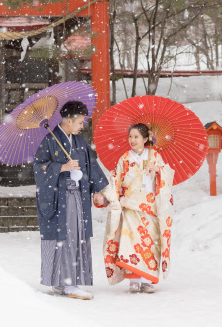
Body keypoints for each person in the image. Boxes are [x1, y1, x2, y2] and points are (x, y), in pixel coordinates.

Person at [33, 100, 109, 300]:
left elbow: (91, 165)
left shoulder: (79, 143)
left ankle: (62, 282)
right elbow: (39, 167)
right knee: (66, 237)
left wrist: (98, 189)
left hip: (77, 195)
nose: (82, 125)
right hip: (59, 197)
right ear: (68, 120)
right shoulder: (50, 140)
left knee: (75, 236)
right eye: (81, 122)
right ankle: (68, 284)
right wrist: (61, 168)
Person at [101, 123, 174, 293]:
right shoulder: (125, 158)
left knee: (150, 243)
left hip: (150, 206)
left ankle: (147, 280)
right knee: (131, 242)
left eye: (136, 137)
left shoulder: (155, 156)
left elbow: (167, 176)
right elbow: (116, 179)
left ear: (146, 139)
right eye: (130, 136)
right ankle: (133, 278)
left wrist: (158, 170)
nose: (132, 140)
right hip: (130, 205)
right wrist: (109, 194)